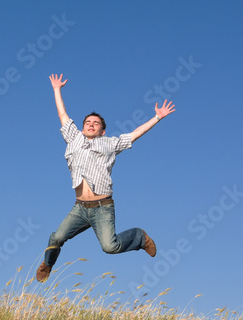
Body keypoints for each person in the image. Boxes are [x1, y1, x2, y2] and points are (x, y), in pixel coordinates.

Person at [36, 73, 175, 282]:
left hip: (103, 207)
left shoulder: (110, 143)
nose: (91, 124)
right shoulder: (73, 138)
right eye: (88, 122)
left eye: (96, 123)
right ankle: (48, 264)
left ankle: (139, 236)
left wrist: (156, 117)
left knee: (110, 247)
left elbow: (135, 134)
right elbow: (63, 115)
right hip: (80, 207)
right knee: (56, 237)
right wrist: (57, 89)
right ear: (82, 128)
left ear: (102, 131)